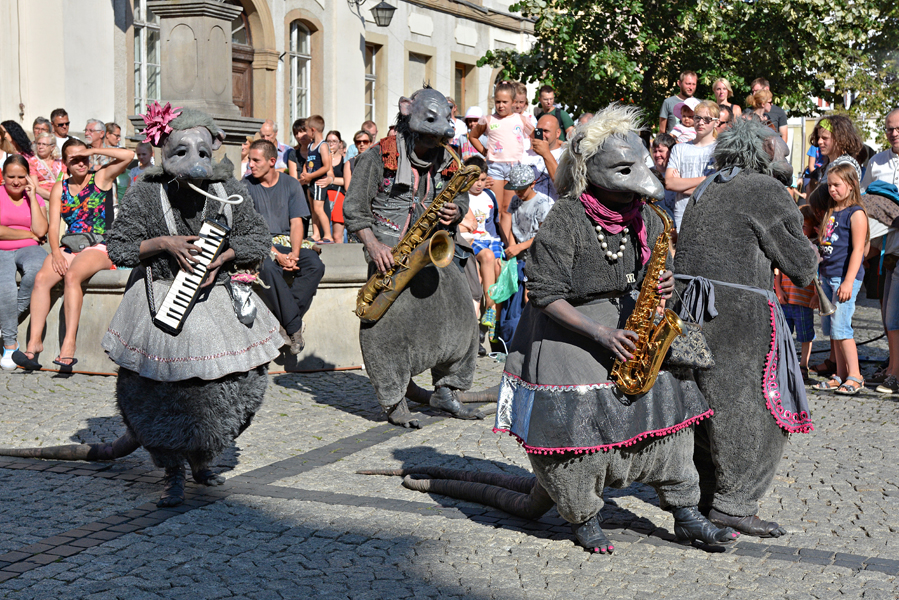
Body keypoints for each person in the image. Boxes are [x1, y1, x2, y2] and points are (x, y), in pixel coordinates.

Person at [494, 104, 738, 554]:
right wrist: (601, 334)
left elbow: (653, 272)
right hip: (568, 328)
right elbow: (544, 294)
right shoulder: (566, 216)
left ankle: (686, 511)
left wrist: (663, 284)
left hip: (630, 327)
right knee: (577, 422)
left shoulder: (648, 216)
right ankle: (583, 513)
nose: (642, 183)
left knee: (671, 411)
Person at [674, 117, 818, 536]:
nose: (789, 159)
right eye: (785, 151)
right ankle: (733, 504)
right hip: (737, 315)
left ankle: (705, 497)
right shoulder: (766, 189)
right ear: (768, 150)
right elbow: (802, 267)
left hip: (691, 309)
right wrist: (810, 246)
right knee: (752, 411)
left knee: (705, 408)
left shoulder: (709, 184)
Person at [342, 87, 482, 428]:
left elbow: (462, 198)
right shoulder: (377, 157)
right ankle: (394, 400)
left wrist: (456, 210)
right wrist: (374, 246)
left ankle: (448, 390)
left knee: (464, 318)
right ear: (408, 119)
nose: (437, 143)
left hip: (434, 248)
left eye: (440, 136)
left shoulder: (448, 159)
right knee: (384, 329)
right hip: (391, 255)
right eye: (429, 136)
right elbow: (354, 210)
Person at [18, 139, 132, 370]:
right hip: (70, 245)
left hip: (99, 244)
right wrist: (56, 254)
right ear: (66, 163)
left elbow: (128, 155)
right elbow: (52, 228)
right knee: (41, 279)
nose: (81, 163)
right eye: (75, 159)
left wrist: (93, 150)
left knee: (72, 276)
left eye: (84, 158)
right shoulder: (60, 187)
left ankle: (69, 344)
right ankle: (34, 343)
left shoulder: (100, 177)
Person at [245, 139, 325, 354]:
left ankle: (283, 321)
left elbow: (297, 222)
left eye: (256, 160)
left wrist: (295, 254)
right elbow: (249, 229)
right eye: (249, 160)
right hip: (260, 244)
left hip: (288, 242)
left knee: (315, 265)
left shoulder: (290, 184)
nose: (250, 165)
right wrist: (276, 255)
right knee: (268, 268)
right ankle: (294, 326)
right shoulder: (245, 186)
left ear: (272, 161)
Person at [810, 163, 869, 394]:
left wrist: (848, 281)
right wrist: (818, 289)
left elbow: (858, 250)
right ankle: (840, 374)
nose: (832, 189)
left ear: (851, 184)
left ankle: (855, 376)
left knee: (842, 328)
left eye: (837, 185)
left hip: (844, 279)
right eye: (829, 185)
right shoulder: (831, 212)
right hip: (827, 277)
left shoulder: (856, 213)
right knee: (833, 330)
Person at [468, 81, 535, 246]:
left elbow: (535, 135)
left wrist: (533, 151)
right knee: (495, 207)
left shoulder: (521, 119)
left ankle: (507, 244)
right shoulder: (487, 119)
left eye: (505, 102)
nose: (501, 105)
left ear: (513, 102)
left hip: (514, 168)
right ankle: (494, 239)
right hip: (495, 167)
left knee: (508, 209)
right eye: (497, 101)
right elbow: (473, 136)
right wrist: (485, 151)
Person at [495, 163, 555, 343]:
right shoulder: (515, 200)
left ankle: (532, 337)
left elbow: (544, 236)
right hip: (519, 257)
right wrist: (512, 247)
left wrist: (519, 247)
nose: (518, 193)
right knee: (512, 297)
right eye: (515, 189)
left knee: (528, 298)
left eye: (522, 189)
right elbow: (512, 227)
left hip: (537, 257)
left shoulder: (543, 203)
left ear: (533, 183)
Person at [0, 156, 48, 370]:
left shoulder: (34, 198)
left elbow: (41, 230)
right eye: (11, 176)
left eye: (21, 177)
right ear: (3, 176)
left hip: (29, 249)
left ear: (28, 177)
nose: (16, 181)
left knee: (38, 271)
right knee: (6, 287)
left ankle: (4, 322)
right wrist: (27, 233)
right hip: (1, 249)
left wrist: (33, 196)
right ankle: (10, 344)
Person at [774, 205, 820, 383]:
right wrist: (778, 290)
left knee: (805, 335)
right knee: (783, 334)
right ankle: (783, 364)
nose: (799, 230)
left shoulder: (812, 248)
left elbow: (816, 274)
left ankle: (803, 365)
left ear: (812, 229)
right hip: (786, 300)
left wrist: (816, 295)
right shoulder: (786, 246)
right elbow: (777, 270)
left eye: (804, 226)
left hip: (803, 302)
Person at [461, 156, 502, 334]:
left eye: (483, 180)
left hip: (490, 239)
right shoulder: (463, 197)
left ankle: (494, 319)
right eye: (475, 180)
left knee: (500, 268)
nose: (479, 184)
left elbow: (493, 223)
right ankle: (490, 309)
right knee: (487, 256)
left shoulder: (490, 195)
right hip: (473, 239)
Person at [664, 100, 719, 231]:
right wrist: (705, 180)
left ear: (716, 122)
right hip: (682, 214)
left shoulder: (720, 150)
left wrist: (681, 185)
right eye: (698, 118)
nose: (701, 122)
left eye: (707, 119)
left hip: (711, 213)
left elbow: (717, 188)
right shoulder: (679, 148)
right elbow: (669, 183)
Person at [299, 115, 334, 243]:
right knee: (313, 209)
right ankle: (316, 234)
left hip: (319, 182)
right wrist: (304, 173)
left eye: (307, 130)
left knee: (319, 209)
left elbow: (326, 166)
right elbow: (308, 162)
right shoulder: (310, 146)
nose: (306, 133)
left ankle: (328, 235)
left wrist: (311, 176)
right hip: (311, 182)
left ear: (313, 130)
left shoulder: (323, 146)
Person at [812, 115, 864, 183]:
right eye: (818, 137)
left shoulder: (844, 166)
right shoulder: (829, 165)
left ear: (840, 139)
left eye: (825, 138)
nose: (819, 142)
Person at [524, 113, 564, 200]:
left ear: (557, 133)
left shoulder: (566, 155)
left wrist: (546, 153)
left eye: (546, 131)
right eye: (538, 130)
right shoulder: (525, 155)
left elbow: (563, 186)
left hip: (554, 207)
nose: (541, 134)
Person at [27, 132, 66, 200]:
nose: (40, 147)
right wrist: (56, 198)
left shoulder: (61, 162)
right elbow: (36, 187)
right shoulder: (32, 161)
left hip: (61, 196)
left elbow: (66, 182)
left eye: (44, 144)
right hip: (43, 199)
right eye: (38, 144)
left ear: (52, 147)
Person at [325, 130, 348, 243]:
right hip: (324, 197)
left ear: (340, 143)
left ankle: (339, 254)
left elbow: (347, 180)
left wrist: (330, 180)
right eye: (328, 141)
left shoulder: (345, 161)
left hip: (339, 197)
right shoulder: (323, 159)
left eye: (334, 141)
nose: (331, 144)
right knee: (325, 235)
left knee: (337, 236)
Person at [750, 78, 789, 144]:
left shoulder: (779, 112)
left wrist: (778, 150)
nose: (754, 94)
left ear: (767, 89)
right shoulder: (747, 112)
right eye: (753, 91)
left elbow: (784, 137)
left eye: (757, 91)